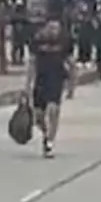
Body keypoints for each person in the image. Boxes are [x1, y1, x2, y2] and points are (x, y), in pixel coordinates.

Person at [25, 16, 73, 158]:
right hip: (41, 79)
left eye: (56, 28)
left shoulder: (65, 41)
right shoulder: (37, 40)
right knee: (38, 115)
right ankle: (45, 132)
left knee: (53, 110)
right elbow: (32, 63)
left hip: (57, 79)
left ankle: (50, 141)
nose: (53, 31)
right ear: (45, 27)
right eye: (51, 27)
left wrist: (71, 87)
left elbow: (71, 64)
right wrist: (27, 85)